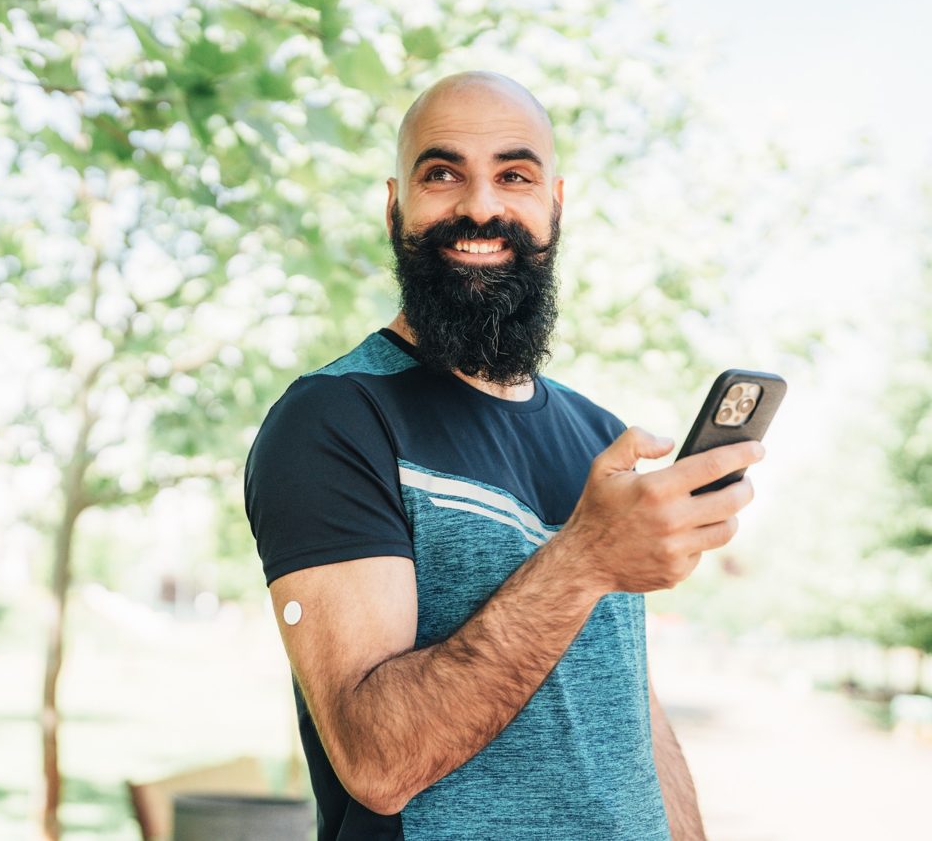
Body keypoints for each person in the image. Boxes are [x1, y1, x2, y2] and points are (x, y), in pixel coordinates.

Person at [243, 71, 764, 840]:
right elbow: (377, 761)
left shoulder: (598, 436)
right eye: (443, 173)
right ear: (396, 208)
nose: (481, 206)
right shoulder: (334, 420)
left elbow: (627, 713)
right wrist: (584, 560)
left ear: (555, 205)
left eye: (513, 175)